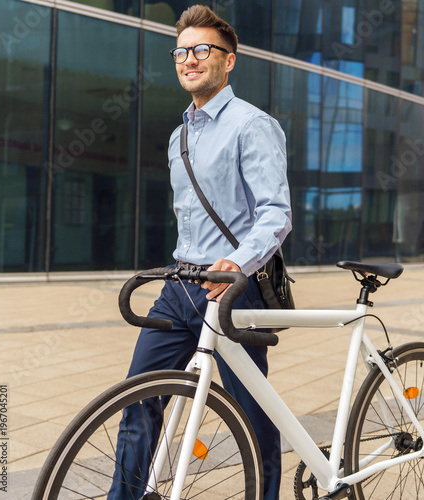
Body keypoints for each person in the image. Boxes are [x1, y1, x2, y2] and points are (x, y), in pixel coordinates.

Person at [108, 5, 292, 499]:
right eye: (182, 51)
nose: (189, 59)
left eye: (202, 50)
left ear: (228, 61)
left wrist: (235, 263)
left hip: (233, 291)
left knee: (253, 418)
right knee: (138, 401)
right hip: (179, 286)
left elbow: (275, 213)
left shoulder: (252, 125)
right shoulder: (179, 135)